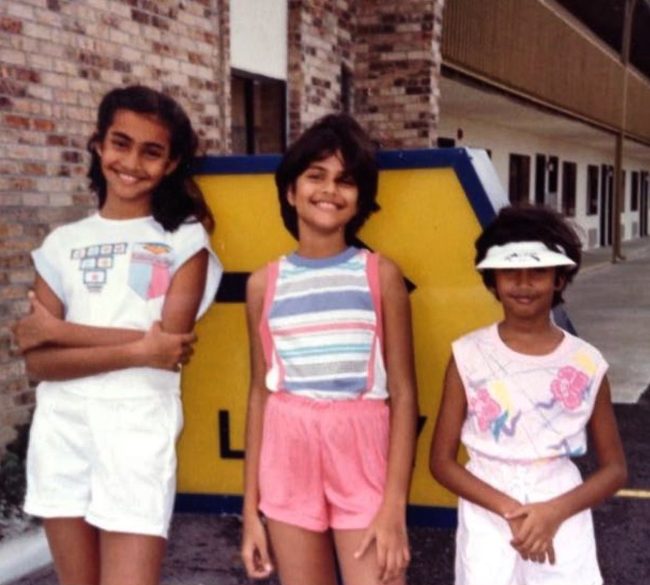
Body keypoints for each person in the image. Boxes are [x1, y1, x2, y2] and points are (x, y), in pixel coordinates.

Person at [12, 85, 222, 585]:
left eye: (151, 151)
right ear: (98, 146)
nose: (131, 162)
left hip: (136, 435)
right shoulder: (62, 245)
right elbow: (41, 363)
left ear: (171, 164)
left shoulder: (184, 240)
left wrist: (60, 331)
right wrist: (135, 347)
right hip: (64, 432)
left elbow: (168, 349)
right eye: (120, 143)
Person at [240, 114, 418, 585]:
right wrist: (250, 513)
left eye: (345, 180)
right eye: (315, 176)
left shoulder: (380, 275)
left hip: (360, 447)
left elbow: (403, 393)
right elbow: (259, 393)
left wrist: (394, 506)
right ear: (290, 191)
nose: (329, 190)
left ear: (360, 198)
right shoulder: (263, 284)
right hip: (287, 448)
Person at [429, 205, 627, 585]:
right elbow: (441, 461)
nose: (523, 283)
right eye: (510, 271)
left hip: (561, 509)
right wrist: (509, 509)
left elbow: (615, 468)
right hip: (488, 507)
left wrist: (552, 512)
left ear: (558, 277)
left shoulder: (586, 362)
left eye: (537, 270)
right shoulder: (467, 355)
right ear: (492, 277)